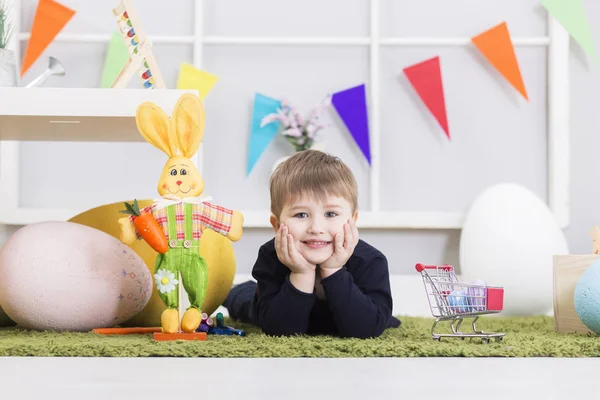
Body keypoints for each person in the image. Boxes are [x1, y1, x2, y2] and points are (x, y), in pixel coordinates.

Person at [223, 150, 400, 338]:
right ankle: (235, 290)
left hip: (355, 309)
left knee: (381, 317)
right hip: (267, 302)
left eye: (331, 214)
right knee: (241, 301)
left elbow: (366, 330)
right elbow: (280, 331)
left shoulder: (371, 261)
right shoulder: (272, 255)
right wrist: (301, 273)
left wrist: (334, 270)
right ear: (277, 225)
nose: (316, 228)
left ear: (353, 220)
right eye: (301, 215)